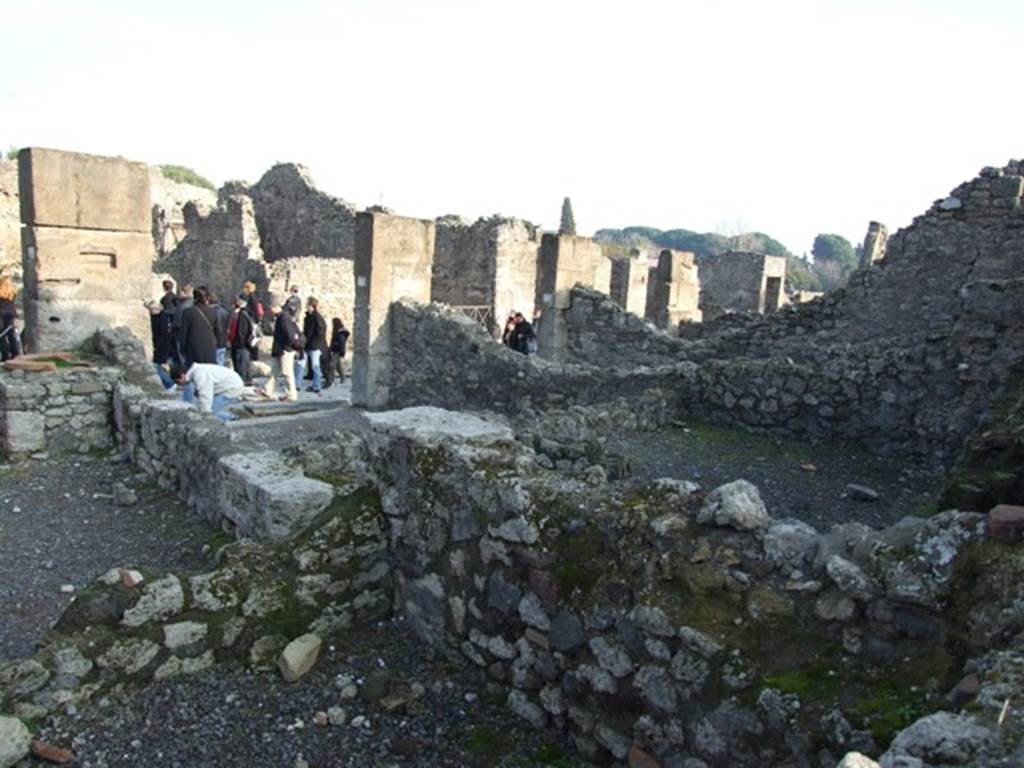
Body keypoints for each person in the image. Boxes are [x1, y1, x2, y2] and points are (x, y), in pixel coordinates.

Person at [260, 295, 305, 402]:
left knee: (287, 373)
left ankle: (291, 395)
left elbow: (289, 334)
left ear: (275, 308)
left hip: (285, 349)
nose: (270, 311)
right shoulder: (282, 317)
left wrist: (288, 347)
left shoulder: (284, 318)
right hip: (280, 349)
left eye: (271, 308)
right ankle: (267, 390)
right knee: (274, 371)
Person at [176, 362, 245, 422]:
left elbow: (205, 394)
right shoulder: (197, 371)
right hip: (229, 385)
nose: (180, 385)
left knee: (210, 411)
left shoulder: (199, 374)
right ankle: (231, 417)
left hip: (232, 388)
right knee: (208, 408)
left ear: (182, 376)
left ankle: (230, 418)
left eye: (178, 382)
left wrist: (205, 413)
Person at [227, 294, 256, 385]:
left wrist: (237, 342)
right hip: (244, 344)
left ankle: (242, 382)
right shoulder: (246, 313)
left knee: (241, 365)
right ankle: (247, 380)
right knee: (245, 364)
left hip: (241, 344)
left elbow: (241, 331)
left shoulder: (242, 314)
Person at [147, 300, 175, 389]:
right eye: (150, 309)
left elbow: (164, 335)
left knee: (157, 366)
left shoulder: (162, 318)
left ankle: (170, 384)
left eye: (153, 309)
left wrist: (157, 346)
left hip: (163, 346)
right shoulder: (155, 317)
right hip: (160, 346)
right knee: (159, 366)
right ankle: (169, 383)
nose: (151, 311)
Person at [303, 297, 327, 393]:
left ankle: (317, 386)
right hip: (308, 344)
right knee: (301, 364)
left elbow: (321, 332)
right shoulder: (309, 316)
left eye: (307, 304)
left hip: (314, 346)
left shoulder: (317, 317)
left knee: (315, 367)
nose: (306, 306)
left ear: (311, 305)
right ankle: (312, 385)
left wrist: (314, 342)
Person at [241, 281, 264, 360]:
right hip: (254, 319)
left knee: (253, 338)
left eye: (245, 288)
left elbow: (255, 309)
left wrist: (256, 321)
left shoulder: (252, 297)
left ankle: (254, 355)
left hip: (253, 320)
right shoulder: (252, 296)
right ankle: (253, 355)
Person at [0, 276, 21, 361]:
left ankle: (5, 356)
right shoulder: (12, 293)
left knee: (2, 337)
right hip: (11, 315)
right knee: (11, 336)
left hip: (1, 315)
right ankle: (15, 354)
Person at [208, 291, 230, 366]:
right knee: (220, 362)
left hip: (214, 341)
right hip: (223, 340)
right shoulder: (225, 311)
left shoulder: (211, 312)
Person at [329, 318, 350, 384]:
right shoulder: (337, 330)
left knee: (332, 365)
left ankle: (331, 380)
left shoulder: (340, 332)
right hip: (336, 350)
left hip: (338, 350)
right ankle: (343, 378)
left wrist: (341, 352)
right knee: (338, 366)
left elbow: (341, 343)